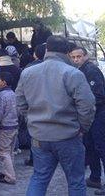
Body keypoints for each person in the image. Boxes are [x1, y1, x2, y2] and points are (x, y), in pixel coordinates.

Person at [16, 36, 95, 196]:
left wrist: (32, 119)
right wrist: (82, 127)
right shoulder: (73, 73)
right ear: (67, 52)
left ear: (46, 50)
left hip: (39, 136)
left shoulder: (28, 72)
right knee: (75, 181)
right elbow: (87, 105)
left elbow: (19, 100)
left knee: (39, 178)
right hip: (68, 136)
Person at [69, 46, 105, 193]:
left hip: (98, 115)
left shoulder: (91, 71)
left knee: (101, 147)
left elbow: (99, 95)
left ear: (85, 56)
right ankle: (95, 177)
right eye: (74, 57)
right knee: (90, 146)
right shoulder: (80, 71)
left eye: (79, 56)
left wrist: (81, 104)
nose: (76, 59)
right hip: (89, 116)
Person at [0, 72, 18, 184]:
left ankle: (10, 176)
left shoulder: (1, 96)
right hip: (14, 126)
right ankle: (7, 171)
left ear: (4, 82)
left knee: (3, 151)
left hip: (5, 127)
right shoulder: (13, 93)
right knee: (10, 151)